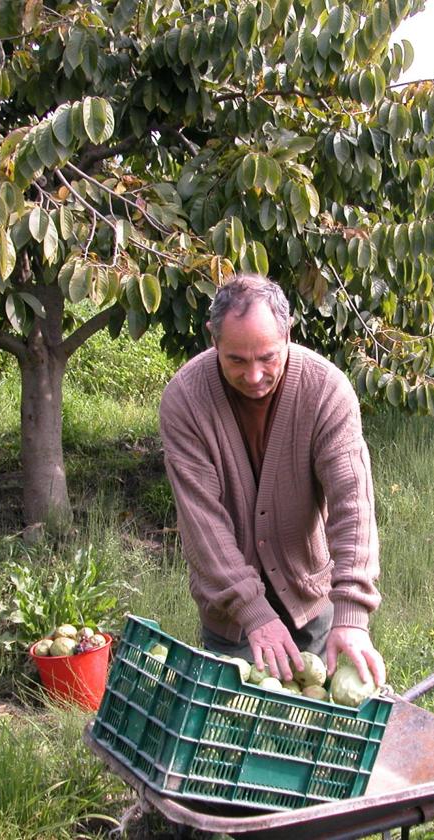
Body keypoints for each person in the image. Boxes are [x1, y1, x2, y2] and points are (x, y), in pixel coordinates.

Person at [158, 273, 386, 687]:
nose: (254, 376)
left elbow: (352, 504)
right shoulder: (185, 400)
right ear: (213, 339)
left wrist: (351, 614)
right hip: (232, 620)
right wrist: (254, 613)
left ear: (288, 333)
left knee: (315, 727)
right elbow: (202, 524)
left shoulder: (326, 391)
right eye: (237, 360)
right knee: (235, 733)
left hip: (311, 603)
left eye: (267, 357)